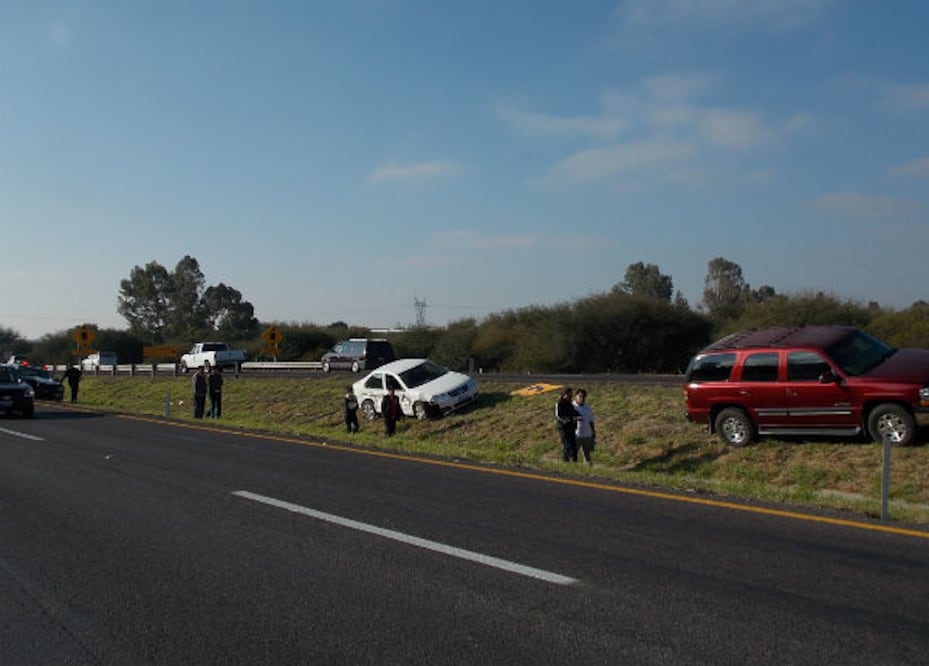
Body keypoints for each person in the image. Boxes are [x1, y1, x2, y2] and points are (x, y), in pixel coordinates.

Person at [555, 386, 580, 462]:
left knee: (572, 446)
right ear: (564, 395)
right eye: (569, 395)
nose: (570, 397)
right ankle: (573, 462)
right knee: (569, 446)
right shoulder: (559, 403)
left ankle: (566, 462)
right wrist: (569, 419)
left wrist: (578, 416)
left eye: (571, 396)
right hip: (564, 428)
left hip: (571, 428)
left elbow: (574, 412)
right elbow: (558, 416)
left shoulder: (570, 404)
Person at [573, 388, 596, 465]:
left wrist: (593, 432)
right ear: (576, 396)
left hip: (587, 434)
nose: (582, 398)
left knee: (587, 454)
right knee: (573, 453)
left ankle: (588, 467)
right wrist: (575, 419)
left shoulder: (587, 407)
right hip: (576, 434)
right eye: (580, 396)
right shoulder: (572, 406)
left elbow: (591, 420)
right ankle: (571, 468)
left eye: (583, 396)